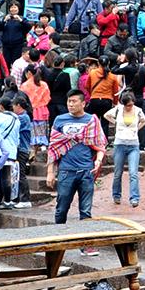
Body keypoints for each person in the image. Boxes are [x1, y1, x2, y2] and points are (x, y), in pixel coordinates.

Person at [47, 90, 107, 223]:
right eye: (69, 101)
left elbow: (100, 144)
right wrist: (50, 172)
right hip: (66, 171)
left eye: (74, 101)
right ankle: (58, 238)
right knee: (61, 209)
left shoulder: (92, 120)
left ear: (83, 103)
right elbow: (53, 147)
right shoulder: (59, 120)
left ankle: (86, 243)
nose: (70, 104)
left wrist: (98, 160)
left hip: (86, 170)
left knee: (85, 212)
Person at [106, 92, 145, 207]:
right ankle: (116, 195)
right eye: (127, 105)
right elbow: (106, 115)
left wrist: (136, 129)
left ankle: (134, 197)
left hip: (133, 144)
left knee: (133, 173)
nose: (130, 107)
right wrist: (116, 123)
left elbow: (144, 120)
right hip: (120, 144)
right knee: (118, 172)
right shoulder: (118, 109)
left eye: (131, 104)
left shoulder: (138, 110)